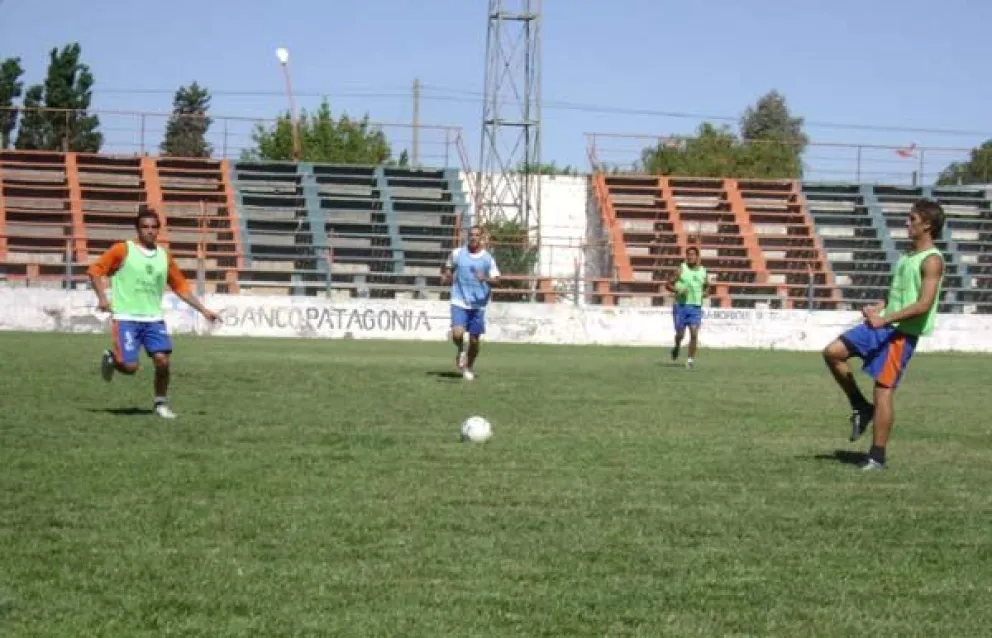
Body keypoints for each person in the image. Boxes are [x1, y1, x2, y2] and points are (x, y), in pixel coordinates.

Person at [822, 198, 946, 470]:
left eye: (912, 219)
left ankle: (877, 457)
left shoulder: (932, 260)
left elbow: (923, 304)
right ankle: (859, 406)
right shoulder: (908, 256)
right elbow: (902, 297)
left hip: (900, 334)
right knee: (832, 352)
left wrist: (885, 319)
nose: (906, 223)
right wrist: (882, 307)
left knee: (883, 391)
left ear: (927, 225)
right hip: (884, 324)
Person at [87, 208, 220, 418]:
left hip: (153, 320)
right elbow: (94, 271)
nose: (149, 231)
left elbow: (181, 287)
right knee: (130, 367)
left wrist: (204, 310)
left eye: (153, 227)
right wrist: (103, 298)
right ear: (137, 229)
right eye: (145, 227)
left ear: (159, 230)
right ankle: (113, 359)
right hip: (126, 319)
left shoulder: (164, 257)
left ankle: (160, 404)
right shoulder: (123, 250)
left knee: (162, 361)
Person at [440, 225, 501, 381]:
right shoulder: (457, 253)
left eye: (476, 235)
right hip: (459, 299)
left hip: (478, 304)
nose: (473, 237)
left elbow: (498, 280)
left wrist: (485, 279)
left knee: (474, 340)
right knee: (457, 333)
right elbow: (448, 267)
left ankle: (469, 366)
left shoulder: (487, 259)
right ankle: (461, 349)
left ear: (481, 238)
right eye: (471, 235)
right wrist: (447, 276)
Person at [665, 245, 709, 369]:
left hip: (695, 306)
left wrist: (706, 293)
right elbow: (668, 284)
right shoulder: (681, 269)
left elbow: (707, 287)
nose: (690, 257)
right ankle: (677, 345)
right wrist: (677, 290)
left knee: (694, 333)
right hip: (680, 306)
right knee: (680, 334)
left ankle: (690, 360)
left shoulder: (703, 271)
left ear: (697, 257)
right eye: (688, 254)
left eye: (692, 254)